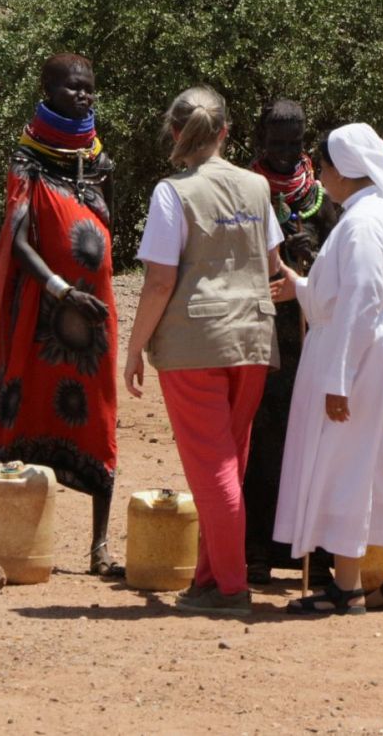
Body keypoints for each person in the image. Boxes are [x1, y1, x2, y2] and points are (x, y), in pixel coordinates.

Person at [123, 86, 282, 617]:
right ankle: (209, 579)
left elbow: (159, 281)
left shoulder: (173, 192)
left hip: (195, 343)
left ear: (175, 132)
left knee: (212, 470)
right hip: (253, 338)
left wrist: (135, 346)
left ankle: (231, 588)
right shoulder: (257, 186)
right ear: (226, 132)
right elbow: (273, 261)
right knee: (230, 462)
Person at [272, 123, 383, 614]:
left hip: (364, 350)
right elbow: (349, 294)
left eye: (323, 167)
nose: (320, 177)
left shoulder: (365, 221)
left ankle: (345, 585)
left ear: (344, 169)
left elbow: (361, 300)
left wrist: (339, 378)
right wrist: (302, 287)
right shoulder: (374, 214)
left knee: (348, 458)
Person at [0, 54, 122, 576]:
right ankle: (9, 536)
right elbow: (18, 241)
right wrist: (61, 289)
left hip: (95, 318)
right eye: (72, 89)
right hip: (41, 313)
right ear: (47, 90)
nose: (83, 97)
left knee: (98, 415)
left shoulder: (99, 160)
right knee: (25, 405)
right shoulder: (28, 161)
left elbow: (108, 226)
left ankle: (100, 547)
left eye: (89, 89)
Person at [242, 98, 339, 585]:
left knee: (316, 442)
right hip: (263, 334)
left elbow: (342, 260)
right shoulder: (245, 190)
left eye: (294, 142)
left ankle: (314, 553)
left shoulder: (322, 195)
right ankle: (256, 549)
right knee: (265, 442)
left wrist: (314, 254)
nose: (284, 151)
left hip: (313, 334)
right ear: (261, 139)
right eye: (275, 142)